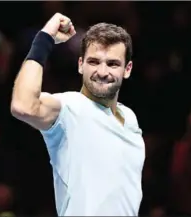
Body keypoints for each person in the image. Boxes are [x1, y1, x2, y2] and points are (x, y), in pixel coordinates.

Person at [11, 13, 145, 215]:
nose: (102, 71)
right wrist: (44, 38)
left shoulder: (130, 118)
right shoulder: (69, 107)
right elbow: (23, 105)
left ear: (127, 69)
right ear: (80, 64)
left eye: (112, 64)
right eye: (94, 62)